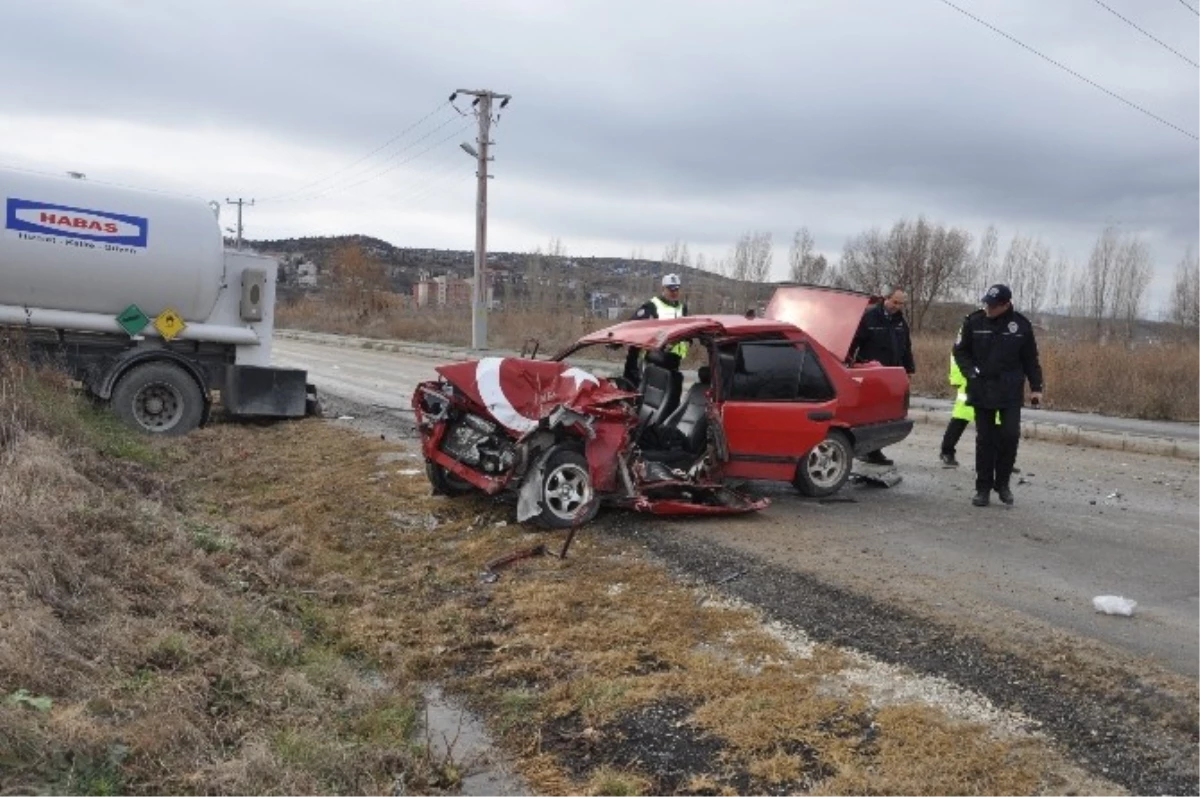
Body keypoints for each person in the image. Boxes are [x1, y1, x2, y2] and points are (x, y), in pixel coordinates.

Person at [953, 284, 1043, 507]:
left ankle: (1002, 484)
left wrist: (1036, 387)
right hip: (982, 388)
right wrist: (970, 372)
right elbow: (960, 351)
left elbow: (1030, 359)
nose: (988, 308)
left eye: (993, 305)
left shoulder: (1020, 326)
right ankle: (982, 488)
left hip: (1009, 390)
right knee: (985, 440)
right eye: (986, 303)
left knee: (1010, 436)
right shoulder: (974, 321)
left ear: (1005, 304)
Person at [848, 287, 915, 466]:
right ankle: (869, 450)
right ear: (886, 299)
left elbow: (906, 348)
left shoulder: (900, 322)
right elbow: (854, 343)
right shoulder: (869, 317)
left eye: (901, 304)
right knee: (871, 413)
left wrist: (908, 370)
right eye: (895, 302)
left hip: (892, 373)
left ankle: (874, 450)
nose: (897, 306)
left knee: (885, 414)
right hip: (872, 373)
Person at [623, 273, 689, 386]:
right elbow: (633, 324)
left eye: (677, 289)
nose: (674, 292)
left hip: (675, 359)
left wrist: (689, 341)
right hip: (655, 357)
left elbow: (686, 329)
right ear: (663, 289)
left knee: (671, 391)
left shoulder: (682, 308)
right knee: (653, 390)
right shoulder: (652, 305)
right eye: (671, 289)